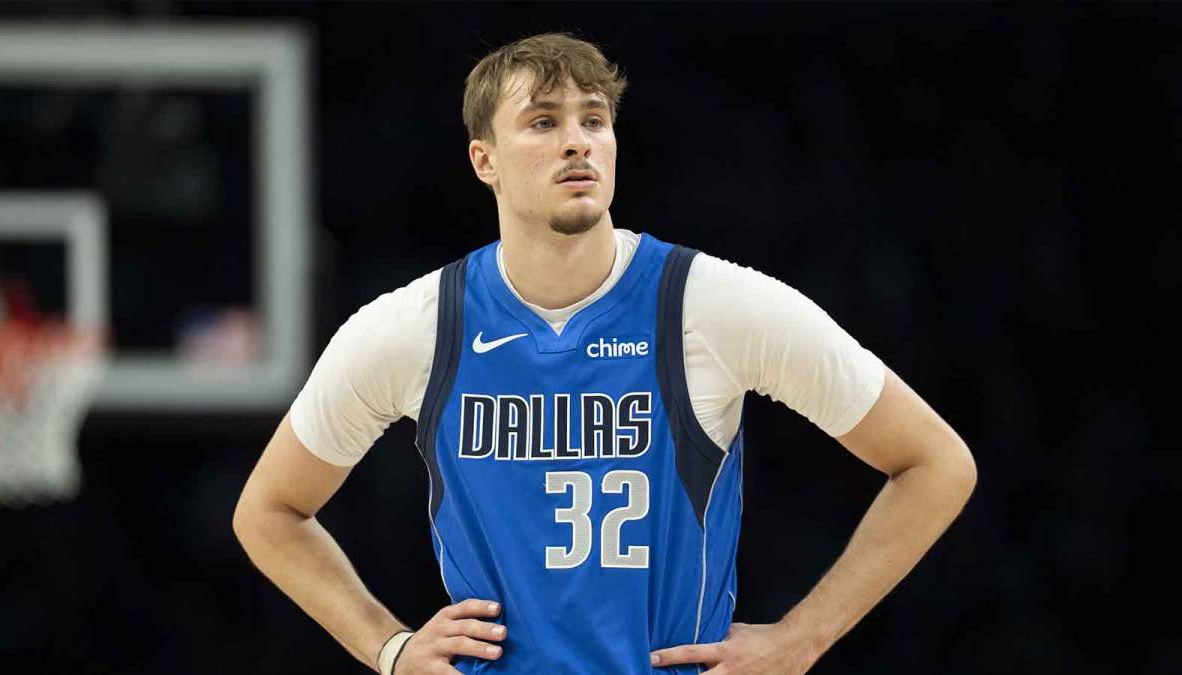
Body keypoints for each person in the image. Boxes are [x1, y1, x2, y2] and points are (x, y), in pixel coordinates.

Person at [232, 32, 977, 675]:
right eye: (543, 121)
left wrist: (803, 638)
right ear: (484, 160)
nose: (577, 141)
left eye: (594, 119)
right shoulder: (416, 326)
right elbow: (268, 511)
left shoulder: (710, 304)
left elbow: (937, 462)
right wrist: (389, 647)